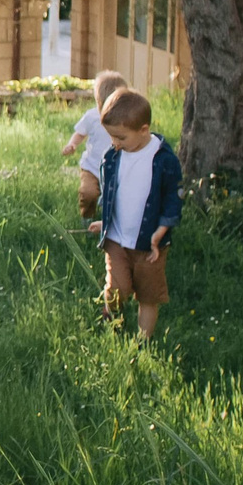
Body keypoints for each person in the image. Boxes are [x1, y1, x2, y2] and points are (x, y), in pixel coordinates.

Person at [85, 86, 181, 336]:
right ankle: (111, 320)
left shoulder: (162, 160)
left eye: (121, 138)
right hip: (117, 240)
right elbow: (112, 195)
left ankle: (142, 342)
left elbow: (172, 198)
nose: (115, 143)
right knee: (117, 289)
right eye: (111, 137)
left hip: (150, 244)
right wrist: (104, 222)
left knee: (148, 296)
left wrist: (162, 230)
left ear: (144, 130)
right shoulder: (113, 157)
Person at [66, 69, 129, 220]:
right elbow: (80, 133)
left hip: (116, 168)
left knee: (118, 197)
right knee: (88, 193)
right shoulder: (92, 116)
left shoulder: (126, 118)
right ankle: (87, 217)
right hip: (92, 167)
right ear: (98, 102)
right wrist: (72, 144)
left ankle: (111, 220)